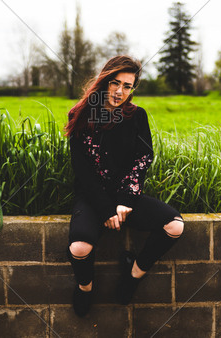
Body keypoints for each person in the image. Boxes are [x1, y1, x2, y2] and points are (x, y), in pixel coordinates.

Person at [64, 55, 184, 317]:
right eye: (115, 83)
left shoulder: (137, 116)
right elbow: (82, 171)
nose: (120, 92)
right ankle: (85, 288)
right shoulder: (82, 115)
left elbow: (143, 158)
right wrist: (106, 208)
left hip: (126, 197)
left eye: (128, 86)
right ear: (105, 81)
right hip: (92, 198)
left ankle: (132, 276)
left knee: (175, 226)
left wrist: (126, 200)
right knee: (79, 248)